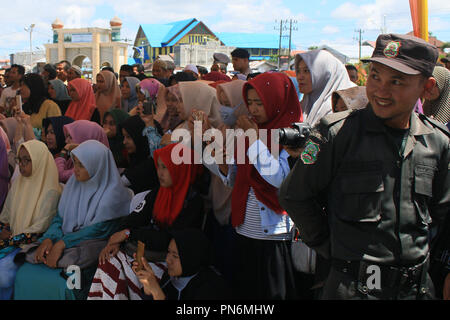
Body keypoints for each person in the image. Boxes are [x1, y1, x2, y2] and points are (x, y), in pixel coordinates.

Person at [279, 33, 449, 300]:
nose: (381, 90)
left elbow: (442, 212)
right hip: (354, 288)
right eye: (375, 76)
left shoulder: (437, 142)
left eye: (397, 81)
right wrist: (331, 247)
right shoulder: (335, 134)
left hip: (416, 289)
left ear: (427, 88)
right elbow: (295, 195)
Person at [202, 72, 302, 300]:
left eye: (261, 103)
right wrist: (225, 167)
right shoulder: (252, 131)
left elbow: (279, 180)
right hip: (246, 230)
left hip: (273, 236)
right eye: (251, 103)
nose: (254, 109)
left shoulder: (292, 135)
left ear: (277, 101)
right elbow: (238, 181)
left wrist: (255, 140)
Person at [13, 140, 132, 300]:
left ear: (97, 166)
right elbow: (59, 219)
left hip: (88, 257)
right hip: (62, 246)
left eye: (81, 165)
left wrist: (63, 243)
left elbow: (98, 230)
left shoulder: (113, 196)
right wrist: (49, 238)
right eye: (74, 163)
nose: (75, 170)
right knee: (24, 273)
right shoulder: (73, 186)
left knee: (64, 285)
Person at [87, 143, 205, 300]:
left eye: (165, 168)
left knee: (127, 273)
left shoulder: (193, 202)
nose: (159, 173)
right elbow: (132, 219)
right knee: (108, 261)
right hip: (147, 250)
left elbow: (168, 240)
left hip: (168, 260)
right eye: (159, 167)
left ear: (180, 169)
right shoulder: (159, 193)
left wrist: (128, 234)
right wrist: (118, 239)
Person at [0, 140, 61, 299]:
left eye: (27, 160)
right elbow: (6, 217)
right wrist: (3, 231)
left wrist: (7, 241)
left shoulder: (50, 192)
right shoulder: (19, 183)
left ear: (39, 161)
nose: (21, 165)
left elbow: (38, 232)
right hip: (12, 242)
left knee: (2, 274)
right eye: (20, 160)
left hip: (29, 247)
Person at [133, 229, 231, 300]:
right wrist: (148, 286)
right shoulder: (172, 276)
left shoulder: (211, 289)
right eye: (168, 252)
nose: (168, 260)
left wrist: (156, 292)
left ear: (191, 258)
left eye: (175, 256)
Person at [295, 49, 356, 126]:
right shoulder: (304, 105)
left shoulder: (337, 110)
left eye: (306, 71)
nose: (300, 77)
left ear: (324, 74)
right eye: (298, 71)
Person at [120, 115, 159, 194]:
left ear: (141, 137)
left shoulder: (150, 166)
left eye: (129, 137)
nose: (124, 142)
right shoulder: (135, 158)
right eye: (124, 137)